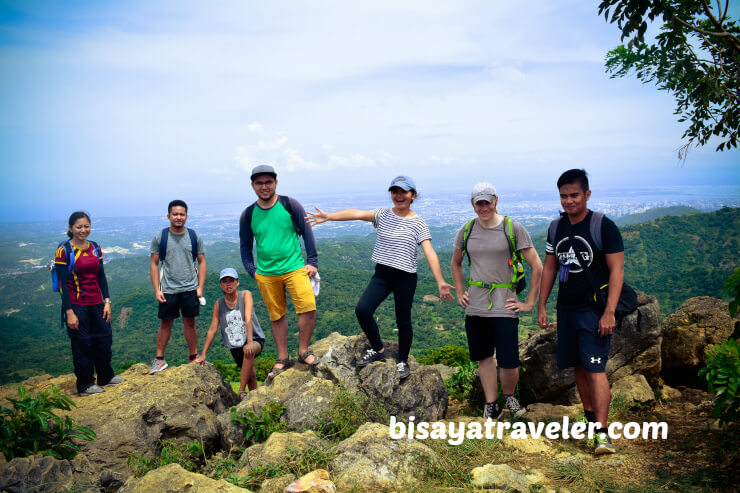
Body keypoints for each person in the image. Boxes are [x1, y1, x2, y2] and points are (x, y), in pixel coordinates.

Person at [306, 175, 454, 379]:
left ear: (413, 195)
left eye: (403, 191)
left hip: (406, 277)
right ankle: (378, 349)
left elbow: (429, 252)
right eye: (395, 191)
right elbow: (356, 214)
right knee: (362, 310)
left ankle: (402, 361)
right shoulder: (383, 214)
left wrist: (440, 281)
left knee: (403, 320)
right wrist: (328, 216)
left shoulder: (418, 223)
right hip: (382, 274)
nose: (398, 195)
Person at [537, 169, 624, 455]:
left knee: (595, 368)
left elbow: (616, 270)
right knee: (578, 366)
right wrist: (542, 304)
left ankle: (602, 434)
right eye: (563, 196)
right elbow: (550, 267)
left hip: (594, 309)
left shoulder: (603, 226)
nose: (569, 201)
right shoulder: (555, 228)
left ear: (587, 194)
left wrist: (609, 311)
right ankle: (590, 420)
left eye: (574, 195)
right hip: (567, 309)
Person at [451, 182, 543, 419]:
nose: (484, 207)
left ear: (496, 201)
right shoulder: (467, 230)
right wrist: (461, 291)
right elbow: (456, 263)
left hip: (505, 303)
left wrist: (530, 303)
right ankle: (492, 405)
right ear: (473, 204)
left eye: (487, 202)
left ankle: (510, 397)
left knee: (509, 360)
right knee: (483, 357)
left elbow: (537, 266)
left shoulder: (513, 228)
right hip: (476, 306)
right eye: (479, 203)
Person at [240, 165, 319, 380]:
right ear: (253, 186)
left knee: (308, 307)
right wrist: (252, 271)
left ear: (276, 182)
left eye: (268, 182)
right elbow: (245, 246)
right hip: (266, 273)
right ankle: (282, 357)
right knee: (277, 315)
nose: (264, 187)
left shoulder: (289, 204)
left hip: (294, 267)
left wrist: (313, 261)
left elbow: (307, 232)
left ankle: (303, 351)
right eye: (259, 183)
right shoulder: (248, 214)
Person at [55, 212, 125, 395]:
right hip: (77, 305)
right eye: (79, 227)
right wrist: (69, 312)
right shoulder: (64, 250)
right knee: (82, 343)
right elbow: (63, 285)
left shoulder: (95, 247)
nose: (83, 230)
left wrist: (107, 301)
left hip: (97, 303)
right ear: (71, 228)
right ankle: (85, 384)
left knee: (103, 339)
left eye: (86, 226)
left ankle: (105, 376)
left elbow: (101, 276)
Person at [149, 200, 206, 373]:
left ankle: (194, 356)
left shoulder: (194, 236)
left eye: (182, 214)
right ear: (168, 216)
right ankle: (159, 359)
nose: (178, 217)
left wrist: (200, 287)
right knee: (165, 324)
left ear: (186, 216)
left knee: (190, 323)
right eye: (175, 214)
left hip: (190, 288)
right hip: (168, 289)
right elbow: (153, 263)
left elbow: (202, 262)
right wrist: (157, 290)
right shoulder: (161, 237)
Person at [195, 268, 265, 399]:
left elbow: (248, 318)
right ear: (221, 285)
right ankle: (256, 403)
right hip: (235, 346)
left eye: (231, 280)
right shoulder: (219, 304)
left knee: (248, 351)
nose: (228, 284)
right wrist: (203, 354)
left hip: (254, 338)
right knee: (251, 378)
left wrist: (250, 343)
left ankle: (241, 391)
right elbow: (213, 329)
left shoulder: (245, 295)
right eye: (225, 281)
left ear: (237, 282)